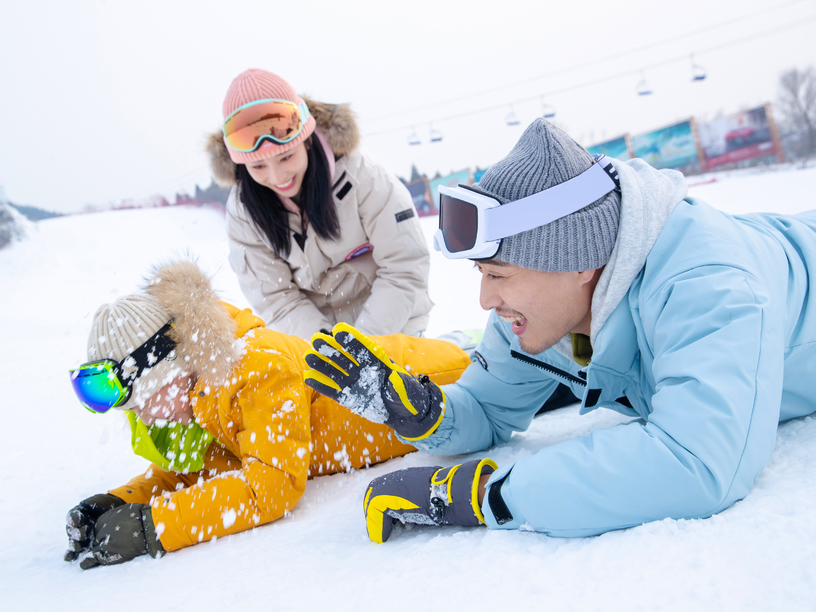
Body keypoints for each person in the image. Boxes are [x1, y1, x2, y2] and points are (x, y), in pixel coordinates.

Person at [303, 118, 816, 543]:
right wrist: (427, 412)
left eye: (498, 275)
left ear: (579, 261)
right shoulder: (546, 312)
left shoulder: (711, 285)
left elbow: (699, 462)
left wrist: (486, 495)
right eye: (481, 274)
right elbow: (488, 406)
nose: (485, 301)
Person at [64, 260, 470, 568]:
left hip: (441, 380)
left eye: (143, 401)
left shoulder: (257, 367)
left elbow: (272, 486)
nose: (143, 416)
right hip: (421, 375)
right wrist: (118, 502)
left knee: (486, 364)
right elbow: (192, 471)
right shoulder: (195, 398)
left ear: (172, 370)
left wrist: (153, 526)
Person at [206, 68, 433, 339]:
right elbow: (277, 299)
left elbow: (404, 266)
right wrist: (328, 351)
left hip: (391, 328)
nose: (277, 177)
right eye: (258, 166)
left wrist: (363, 346)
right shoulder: (244, 215)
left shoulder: (363, 177)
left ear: (306, 141)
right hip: (315, 342)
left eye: (286, 157)